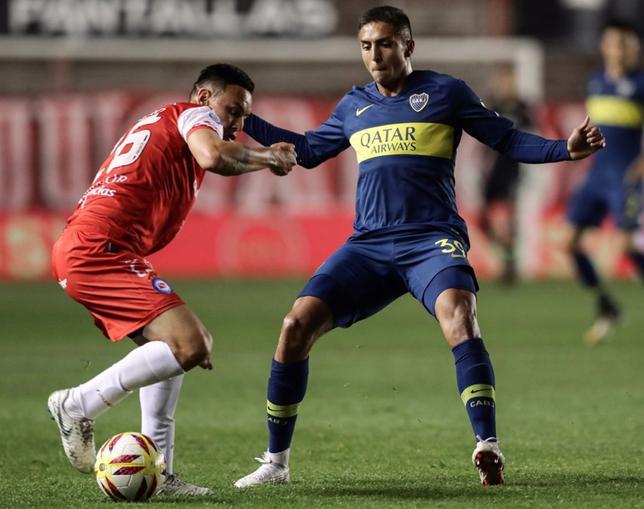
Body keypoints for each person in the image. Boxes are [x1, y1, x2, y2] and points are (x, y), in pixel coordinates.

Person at [232, 5, 605, 488]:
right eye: (366, 46)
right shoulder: (354, 105)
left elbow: (507, 140)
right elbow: (306, 150)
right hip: (368, 244)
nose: (375, 55)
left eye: (385, 44)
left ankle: (487, 446)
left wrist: (564, 149)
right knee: (294, 326)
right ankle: (275, 463)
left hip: (431, 240)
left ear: (408, 45)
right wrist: (244, 119)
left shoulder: (445, 92)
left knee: (460, 314)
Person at [47, 63, 297, 497]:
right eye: (233, 111)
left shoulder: (165, 120)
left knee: (170, 350)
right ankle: (76, 404)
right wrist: (268, 158)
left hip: (97, 248)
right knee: (192, 344)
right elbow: (214, 156)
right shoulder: (193, 115)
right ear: (204, 97)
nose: (236, 125)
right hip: (98, 249)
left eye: (241, 117)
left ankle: (159, 476)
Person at [565, 19, 644, 345]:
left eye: (626, 44)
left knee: (626, 246)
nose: (620, 50)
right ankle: (606, 306)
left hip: (626, 177)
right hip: (597, 175)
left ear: (636, 49)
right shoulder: (595, 82)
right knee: (570, 242)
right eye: (614, 43)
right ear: (604, 46)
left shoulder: (640, 84)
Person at [478, 65, 533, 285]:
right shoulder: (492, 106)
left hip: (513, 169)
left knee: (510, 219)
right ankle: (504, 256)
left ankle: (509, 265)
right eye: (503, 82)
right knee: (485, 220)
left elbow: (534, 136)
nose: (506, 86)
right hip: (491, 170)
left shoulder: (523, 108)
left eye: (510, 81)